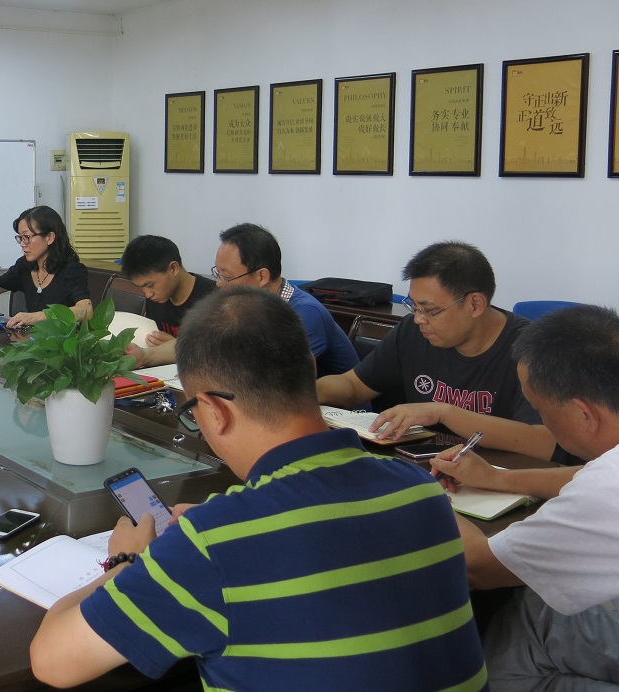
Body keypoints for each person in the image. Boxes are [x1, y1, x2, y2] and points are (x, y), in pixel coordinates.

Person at [29, 286, 486, 690]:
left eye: (192, 412)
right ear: (309, 368)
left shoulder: (213, 543)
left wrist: (125, 561)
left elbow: (52, 662)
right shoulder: (420, 490)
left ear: (214, 412)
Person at [432, 304, 619, 689]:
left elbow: (478, 566)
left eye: (539, 410)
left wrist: (428, 498)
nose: (541, 420)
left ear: (584, 414)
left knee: (522, 621)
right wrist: (495, 478)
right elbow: (588, 475)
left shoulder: (605, 490)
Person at [316, 240, 557, 460]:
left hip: (502, 475)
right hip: (429, 466)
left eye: (430, 310)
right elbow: (353, 386)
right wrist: (302, 393)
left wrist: (443, 413)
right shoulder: (413, 331)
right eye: (413, 306)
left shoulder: (534, 349)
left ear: (475, 304)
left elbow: (543, 443)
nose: (418, 319)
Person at [211, 223, 358, 376]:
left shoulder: (305, 313)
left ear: (262, 276)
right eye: (218, 273)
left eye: (227, 276)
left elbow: (272, 378)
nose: (218, 283)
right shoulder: (247, 305)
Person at [0, 206, 90, 329]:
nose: (23, 244)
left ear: (49, 237)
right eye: (20, 238)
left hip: (62, 344)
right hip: (33, 341)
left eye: (27, 237)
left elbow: (86, 310)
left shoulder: (71, 269)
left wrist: (37, 316)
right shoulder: (25, 266)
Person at [118, 235, 213, 367]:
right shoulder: (157, 298)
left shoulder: (213, 299)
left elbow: (214, 353)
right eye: (142, 287)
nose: (148, 294)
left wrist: (178, 347)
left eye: (150, 285)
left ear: (173, 268)